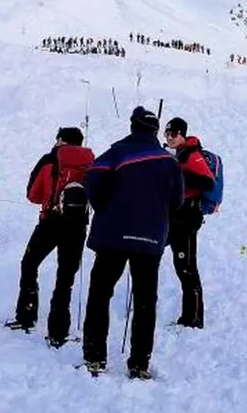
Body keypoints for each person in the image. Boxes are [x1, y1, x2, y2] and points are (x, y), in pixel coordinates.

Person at [80, 106, 184, 379]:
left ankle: (94, 357)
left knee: (100, 294)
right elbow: (177, 202)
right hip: (150, 239)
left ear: (132, 126)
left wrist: (103, 206)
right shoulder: (170, 162)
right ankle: (139, 363)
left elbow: (92, 177)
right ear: (154, 130)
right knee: (145, 300)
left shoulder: (117, 152)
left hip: (112, 235)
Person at [5, 127, 94, 348]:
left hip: (50, 222)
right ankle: (58, 331)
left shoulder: (49, 159)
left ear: (60, 140)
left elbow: (33, 195)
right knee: (65, 278)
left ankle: (26, 315)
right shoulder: (90, 162)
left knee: (29, 263)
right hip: (77, 227)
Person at [163, 117, 215, 329]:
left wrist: (179, 173)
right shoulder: (179, 154)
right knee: (176, 263)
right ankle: (189, 316)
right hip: (174, 217)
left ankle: (193, 318)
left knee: (186, 267)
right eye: (166, 133)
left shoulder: (192, 154)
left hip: (187, 219)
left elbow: (207, 182)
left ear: (182, 134)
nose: (169, 137)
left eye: (173, 133)